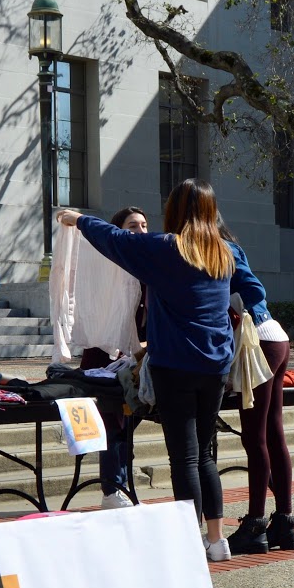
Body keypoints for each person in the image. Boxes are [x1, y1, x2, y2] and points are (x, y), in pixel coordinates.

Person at [56, 179, 237, 561]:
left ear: (174, 209)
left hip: (176, 365)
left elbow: (117, 241)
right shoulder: (224, 252)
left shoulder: (167, 248)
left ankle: (189, 541)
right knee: (205, 454)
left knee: (184, 458)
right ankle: (217, 540)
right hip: (216, 365)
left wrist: (80, 219)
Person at [217, 221, 294, 555]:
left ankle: (255, 524)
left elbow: (251, 292)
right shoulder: (230, 245)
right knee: (272, 432)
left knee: (255, 436)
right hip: (274, 335)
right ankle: (284, 522)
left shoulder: (221, 249)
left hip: (258, 341)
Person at [87, 205, 150, 510]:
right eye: (132, 226)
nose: (140, 231)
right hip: (106, 356)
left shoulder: (146, 266)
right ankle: (112, 489)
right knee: (113, 422)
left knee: (127, 422)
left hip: (135, 358)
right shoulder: (109, 269)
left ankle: (119, 483)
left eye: (143, 225)